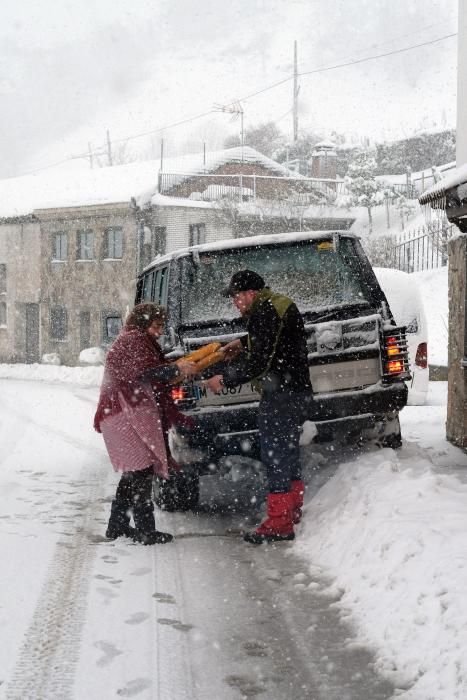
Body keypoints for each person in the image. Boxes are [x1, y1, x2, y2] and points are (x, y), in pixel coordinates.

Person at [206, 270, 312, 544]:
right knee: (287, 451)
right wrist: (241, 344)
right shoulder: (272, 306)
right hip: (293, 391)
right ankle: (291, 510)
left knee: (275, 453)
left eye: (236, 297)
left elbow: (262, 362)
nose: (235, 303)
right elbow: (273, 341)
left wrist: (225, 379)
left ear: (250, 294)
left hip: (282, 393)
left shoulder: (266, 311)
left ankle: (279, 522)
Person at [94, 303, 199, 545]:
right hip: (122, 413)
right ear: (143, 323)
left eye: (162, 326)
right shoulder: (134, 340)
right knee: (140, 471)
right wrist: (176, 368)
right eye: (156, 325)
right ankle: (145, 530)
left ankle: (117, 526)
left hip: (121, 412)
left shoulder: (138, 339)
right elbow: (147, 373)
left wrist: (176, 368)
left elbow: (151, 369)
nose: (160, 331)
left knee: (134, 471)